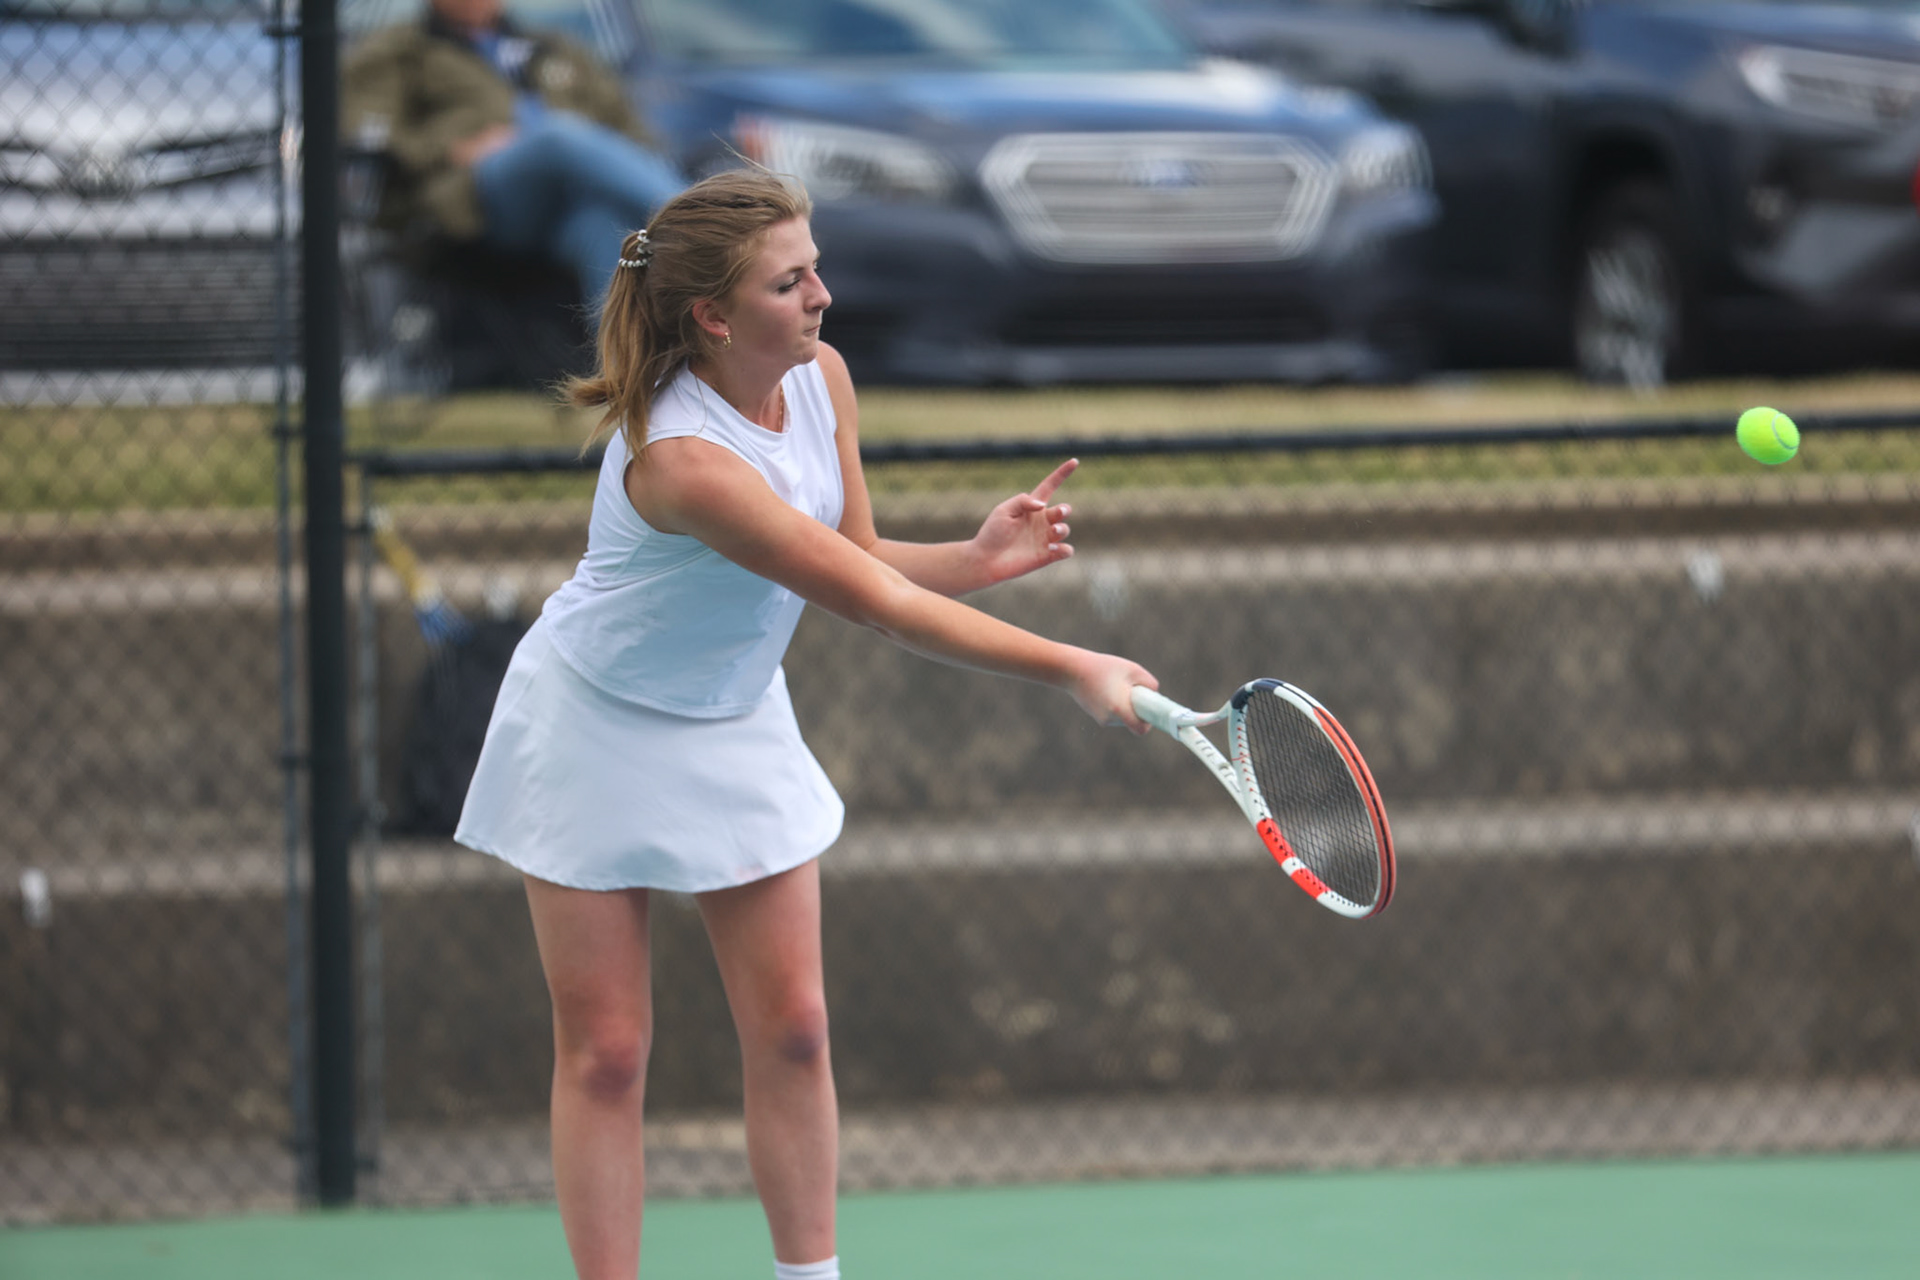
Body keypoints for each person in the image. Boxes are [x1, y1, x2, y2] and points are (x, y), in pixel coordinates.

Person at [452, 168, 1158, 1280]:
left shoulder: (821, 377)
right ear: (714, 317)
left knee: (794, 1027)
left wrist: (974, 561)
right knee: (608, 1052)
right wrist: (1074, 665)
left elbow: (863, 556)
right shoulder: (685, 465)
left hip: (734, 715)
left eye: (815, 266)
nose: (824, 294)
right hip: (592, 724)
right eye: (792, 281)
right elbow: (873, 608)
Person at [341, 0, 685, 308]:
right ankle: (696, 217)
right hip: (478, 195)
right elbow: (368, 135)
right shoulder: (400, 52)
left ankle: (623, 372)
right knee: (556, 135)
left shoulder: (551, 47)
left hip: (572, 197)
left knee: (603, 229)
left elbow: (633, 132)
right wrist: (451, 148)